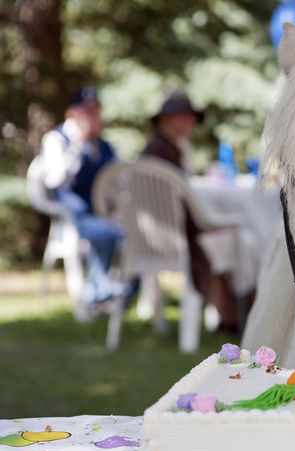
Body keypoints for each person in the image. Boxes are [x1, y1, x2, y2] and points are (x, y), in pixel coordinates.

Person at [142, 91, 256, 333]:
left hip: (163, 236)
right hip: (175, 237)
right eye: (180, 117)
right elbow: (172, 206)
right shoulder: (161, 152)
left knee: (237, 241)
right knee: (245, 243)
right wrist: (204, 224)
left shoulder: (166, 149)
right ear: (164, 121)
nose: (187, 123)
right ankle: (241, 315)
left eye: (189, 117)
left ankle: (230, 315)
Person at [40, 86, 126, 312]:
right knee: (104, 232)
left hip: (102, 213)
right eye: (86, 111)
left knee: (129, 236)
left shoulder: (105, 145)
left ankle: (111, 293)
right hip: (72, 215)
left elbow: (120, 180)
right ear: (72, 114)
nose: (92, 117)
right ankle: (98, 294)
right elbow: (54, 181)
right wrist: (77, 146)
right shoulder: (57, 139)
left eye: (96, 111)